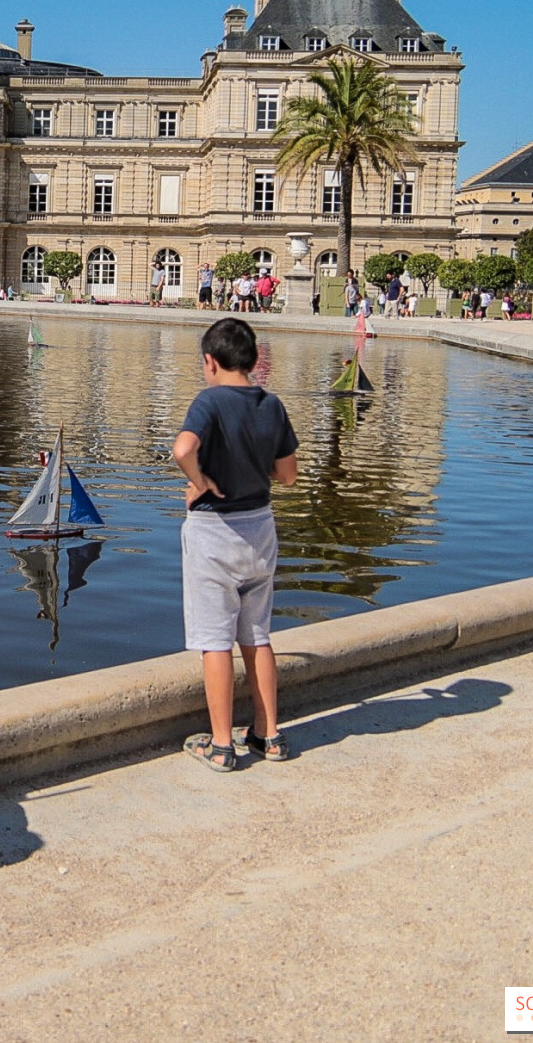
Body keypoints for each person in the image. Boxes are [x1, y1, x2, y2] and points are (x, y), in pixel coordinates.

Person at [171, 318, 299, 773]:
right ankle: (269, 734)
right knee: (258, 635)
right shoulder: (272, 404)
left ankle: (221, 745)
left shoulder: (210, 400)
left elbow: (183, 448)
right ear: (253, 359)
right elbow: (287, 475)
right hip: (260, 527)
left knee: (215, 641)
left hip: (215, 533)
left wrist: (200, 480)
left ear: (210, 361)